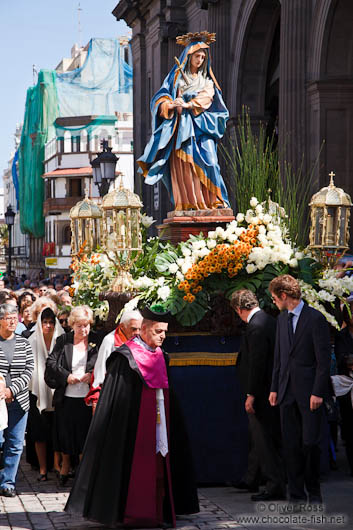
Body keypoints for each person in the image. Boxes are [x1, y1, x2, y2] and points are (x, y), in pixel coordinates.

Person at [65, 305, 199, 528]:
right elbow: (117, 397)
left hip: (160, 423)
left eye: (165, 331)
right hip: (133, 427)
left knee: (160, 466)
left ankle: (158, 510)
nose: (163, 336)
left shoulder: (161, 356)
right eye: (158, 331)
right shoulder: (125, 357)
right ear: (144, 329)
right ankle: (131, 513)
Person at [138, 31, 229, 211]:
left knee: (211, 161)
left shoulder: (206, 81)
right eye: (197, 56)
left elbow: (207, 99)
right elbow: (159, 99)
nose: (200, 60)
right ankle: (189, 204)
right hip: (182, 128)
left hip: (202, 127)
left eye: (203, 57)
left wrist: (188, 105)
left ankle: (216, 201)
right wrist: (171, 105)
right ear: (189, 56)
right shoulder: (176, 80)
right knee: (184, 166)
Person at [269, 275, 331, 504]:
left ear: (284, 296)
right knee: (291, 445)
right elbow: (279, 358)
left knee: (310, 443)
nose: (274, 302)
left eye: (275, 298)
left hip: (309, 394)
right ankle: (295, 495)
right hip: (286, 392)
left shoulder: (315, 319)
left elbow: (323, 361)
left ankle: (314, 492)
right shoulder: (281, 320)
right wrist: (274, 387)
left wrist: (318, 391)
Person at [231, 289, 285, 501]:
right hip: (269, 389)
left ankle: (275, 485)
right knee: (258, 437)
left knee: (264, 440)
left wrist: (251, 394)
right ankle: (252, 477)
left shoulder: (256, 326)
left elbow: (258, 364)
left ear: (239, 309)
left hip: (262, 392)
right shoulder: (268, 320)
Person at [44, 306, 99, 486]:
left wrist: (91, 374)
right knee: (66, 434)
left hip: (87, 397)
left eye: (86, 325)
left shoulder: (96, 341)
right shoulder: (64, 340)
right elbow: (51, 362)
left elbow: (104, 363)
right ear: (72, 325)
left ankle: (84, 472)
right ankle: (65, 465)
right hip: (66, 396)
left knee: (85, 434)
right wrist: (66, 376)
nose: (84, 330)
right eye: (80, 326)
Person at [0, 303, 34, 497]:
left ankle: (8, 482)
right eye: (8, 317)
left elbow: (29, 369)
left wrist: (12, 390)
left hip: (19, 401)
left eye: (15, 317)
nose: (13, 321)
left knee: (15, 443)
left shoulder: (23, 342)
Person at [27, 307, 64, 481]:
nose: (48, 326)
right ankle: (42, 469)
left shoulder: (61, 341)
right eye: (45, 322)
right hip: (37, 393)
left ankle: (57, 465)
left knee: (58, 431)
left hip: (59, 393)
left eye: (51, 322)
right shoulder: (32, 341)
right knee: (39, 433)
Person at [85, 310, 143, 413]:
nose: (137, 333)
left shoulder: (140, 339)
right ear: (122, 327)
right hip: (114, 395)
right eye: (133, 329)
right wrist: (96, 399)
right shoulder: (109, 341)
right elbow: (100, 370)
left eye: (140, 329)